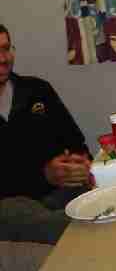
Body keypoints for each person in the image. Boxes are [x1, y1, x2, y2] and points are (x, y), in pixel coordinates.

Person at [0, 24, 92, 244]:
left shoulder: (37, 89)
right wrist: (44, 175)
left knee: (102, 190)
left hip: (60, 191)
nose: (3, 59)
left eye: (5, 48)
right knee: (16, 210)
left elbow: (75, 141)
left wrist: (79, 163)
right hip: (13, 204)